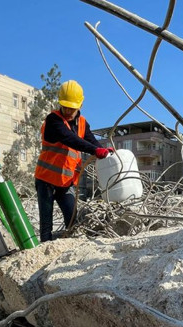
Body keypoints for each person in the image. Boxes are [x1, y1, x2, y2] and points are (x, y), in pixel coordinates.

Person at [34, 80, 114, 242]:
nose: (69, 110)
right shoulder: (53, 121)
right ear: (60, 103)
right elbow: (68, 138)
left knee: (73, 220)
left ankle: (68, 249)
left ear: (80, 105)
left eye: (72, 107)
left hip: (66, 183)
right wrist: (94, 150)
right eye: (66, 106)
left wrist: (103, 150)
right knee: (46, 225)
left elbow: (92, 141)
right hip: (46, 180)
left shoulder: (83, 123)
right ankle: (44, 253)